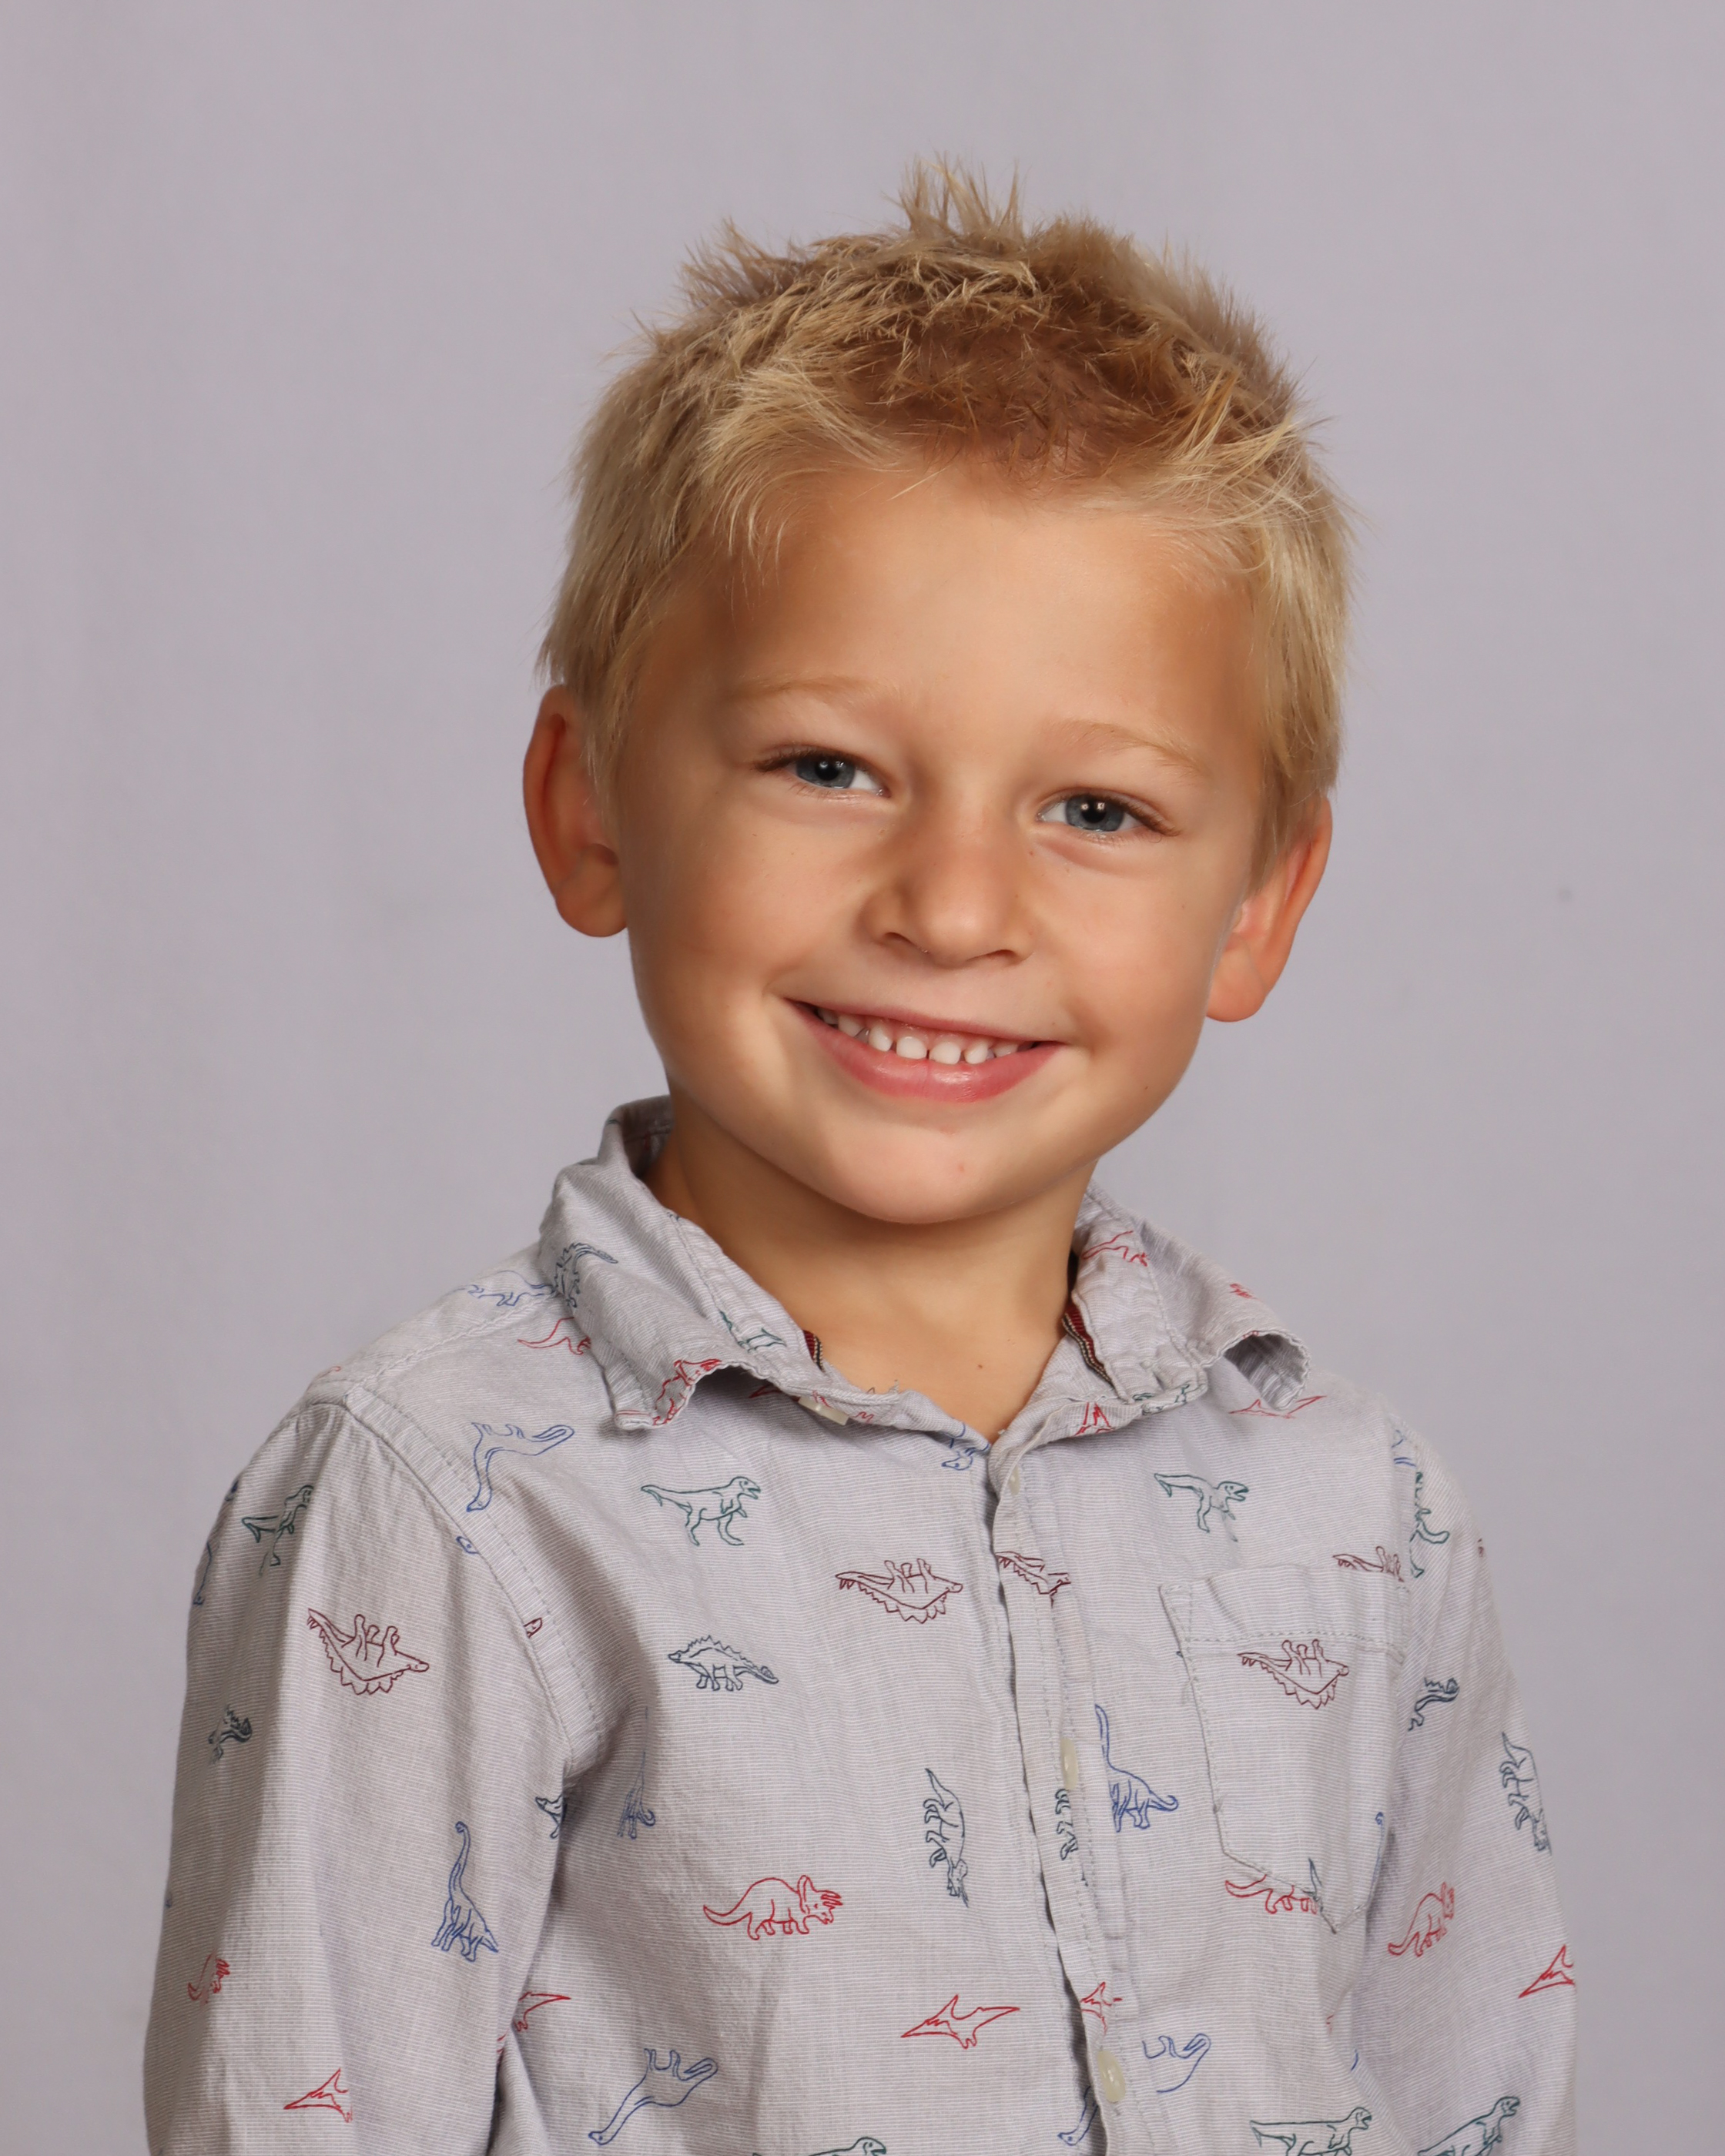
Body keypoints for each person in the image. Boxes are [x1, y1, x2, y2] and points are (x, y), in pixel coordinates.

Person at [145, 169, 1574, 2155]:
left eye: (1097, 808)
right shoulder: (448, 1499)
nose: (954, 906)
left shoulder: (1358, 1509)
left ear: (1260, 904)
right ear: (590, 807)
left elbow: (1468, 2093)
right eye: (828, 767)